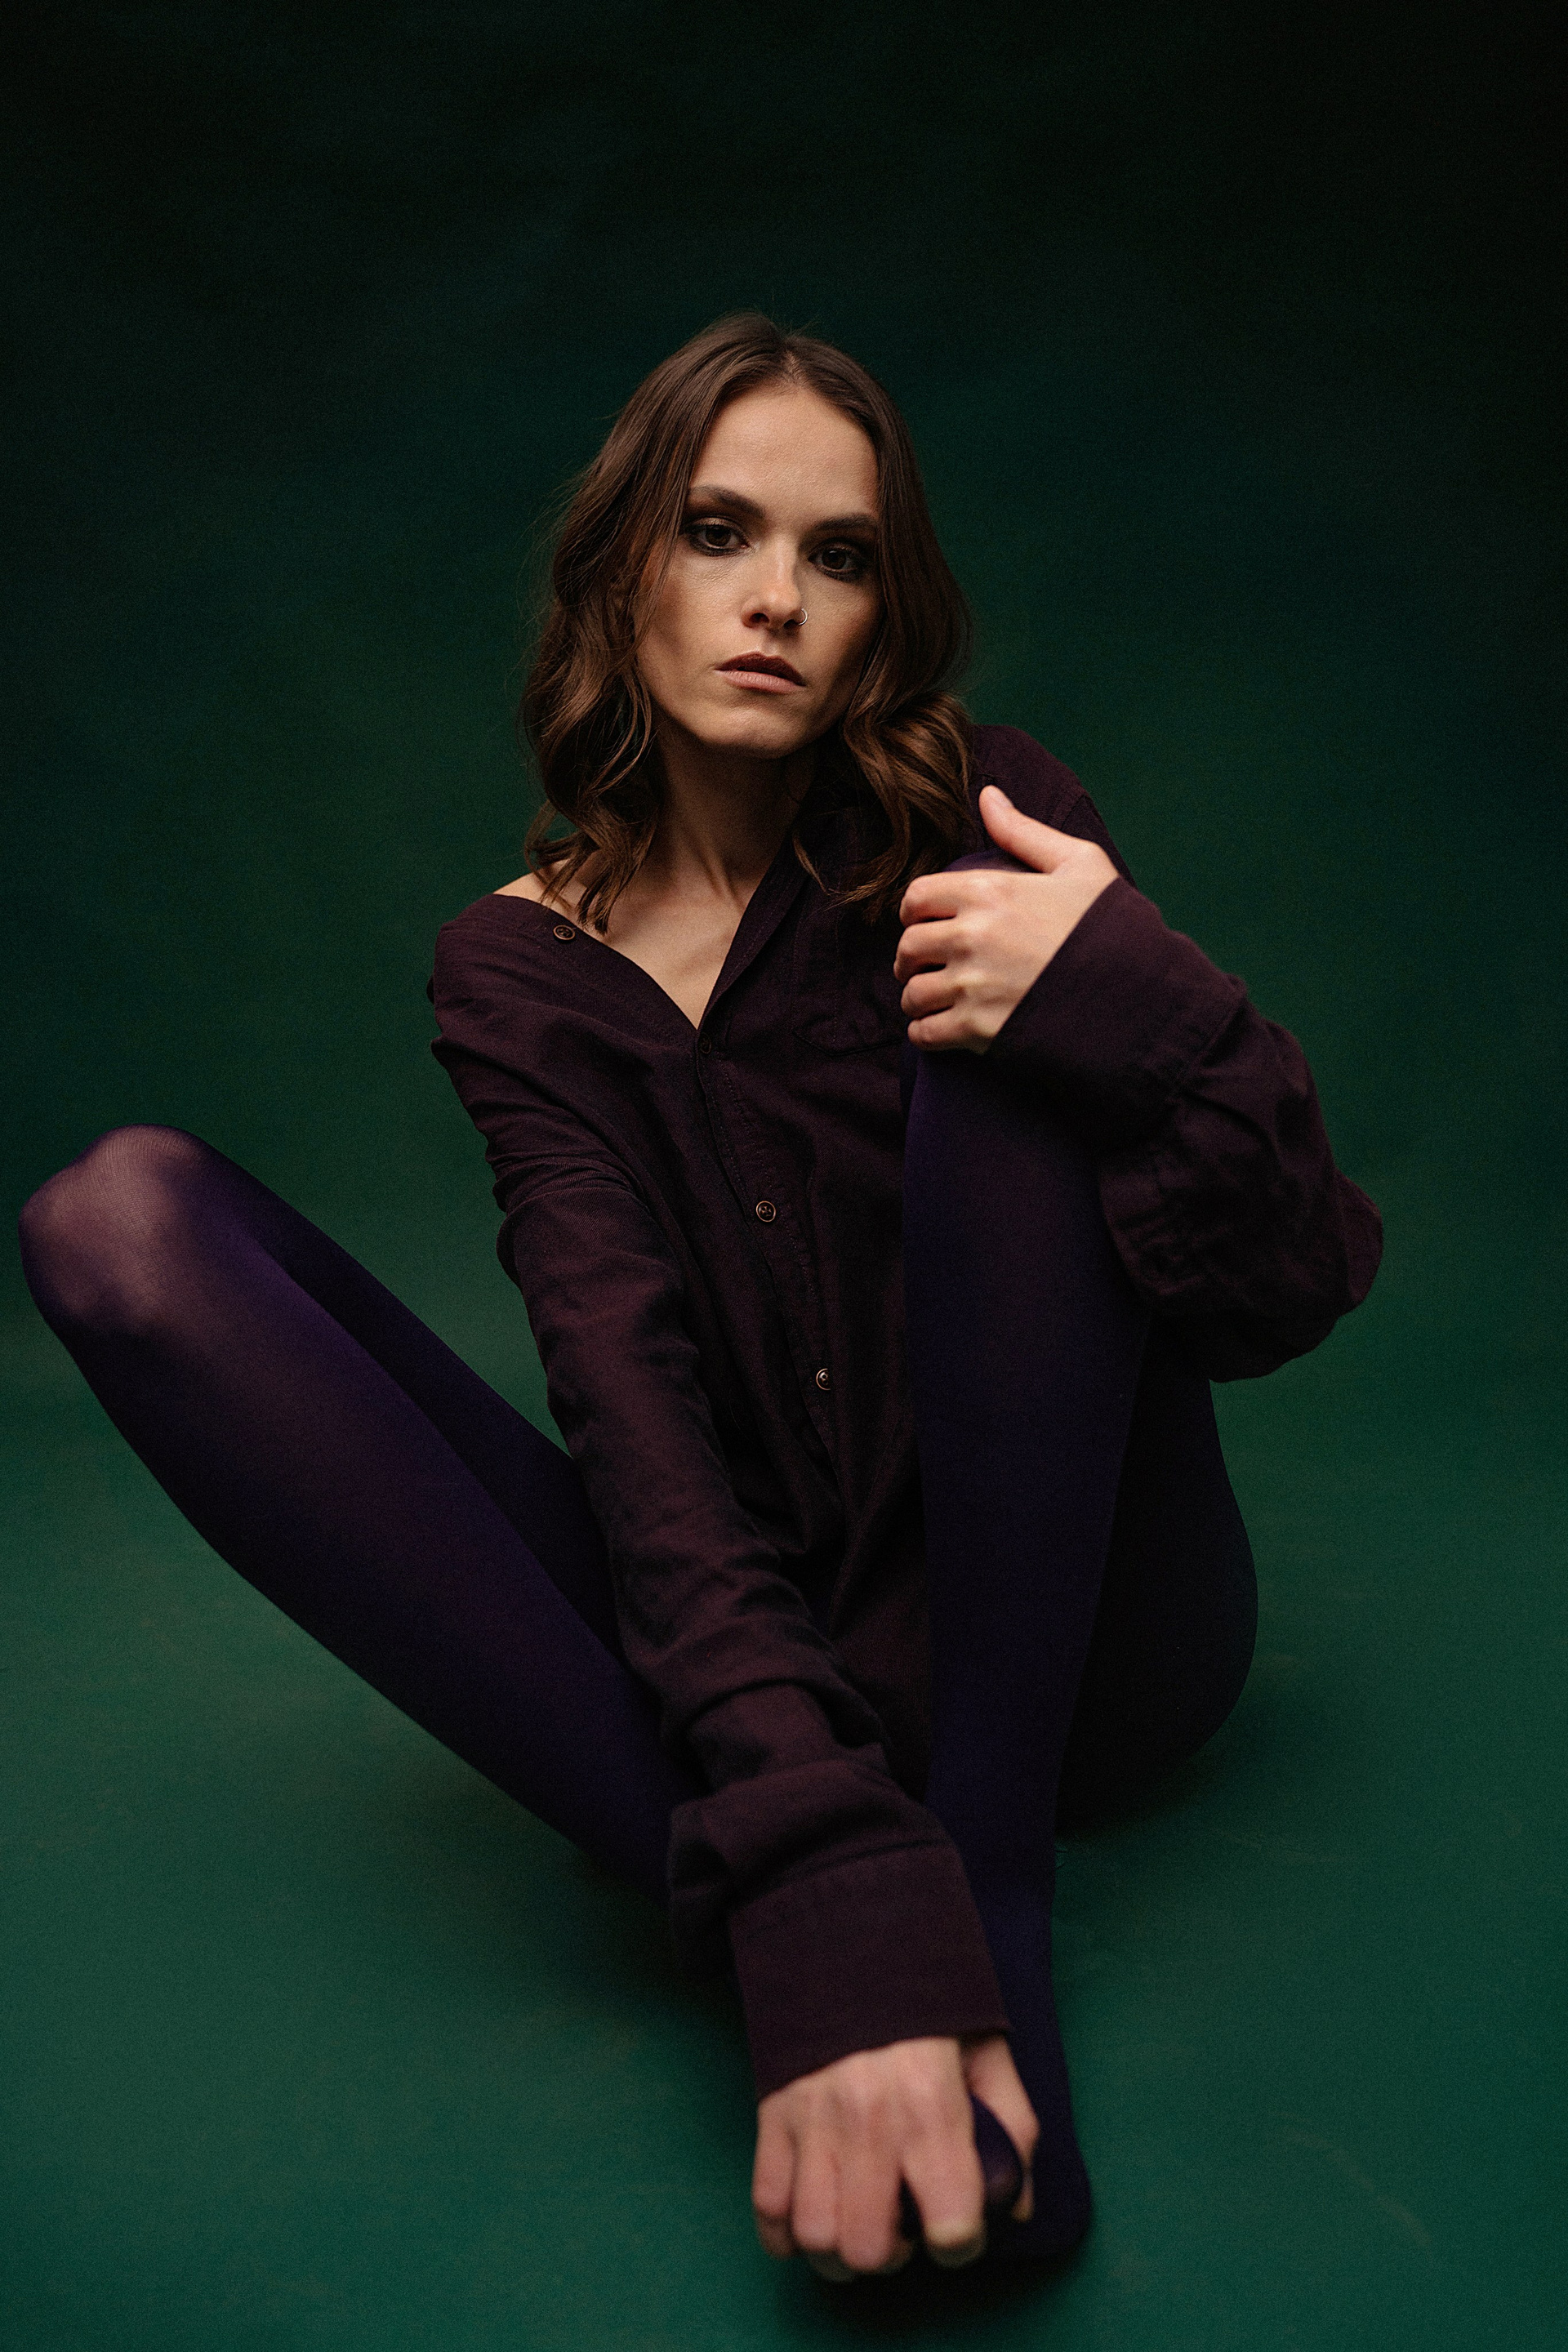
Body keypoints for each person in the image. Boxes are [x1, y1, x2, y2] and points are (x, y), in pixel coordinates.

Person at [18, 314, 1381, 2285]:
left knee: (998, 988)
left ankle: (978, 1891)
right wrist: (817, 1857)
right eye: (720, 531)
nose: (776, 600)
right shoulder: (515, 973)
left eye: (840, 556)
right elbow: (625, 1400)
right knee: (117, 1225)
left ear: (885, 612)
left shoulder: (985, 814)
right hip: (780, 1647)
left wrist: (1130, 1001)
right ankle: (820, 1895)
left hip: (1088, 1649)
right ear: (622, 573)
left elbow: (1287, 1286)